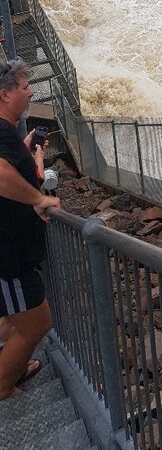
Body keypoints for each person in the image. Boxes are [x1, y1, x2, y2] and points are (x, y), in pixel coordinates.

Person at [0, 58, 60, 399]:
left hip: (14, 249)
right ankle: (3, 388)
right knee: (36, 323)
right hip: (11, 253)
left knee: (12, 319)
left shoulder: (6, 132)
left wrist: (27, 148)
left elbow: (10, 165)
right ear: (5, 95)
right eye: (24, 88)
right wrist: (39, 199)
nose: (30, 93)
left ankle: (15, 365)